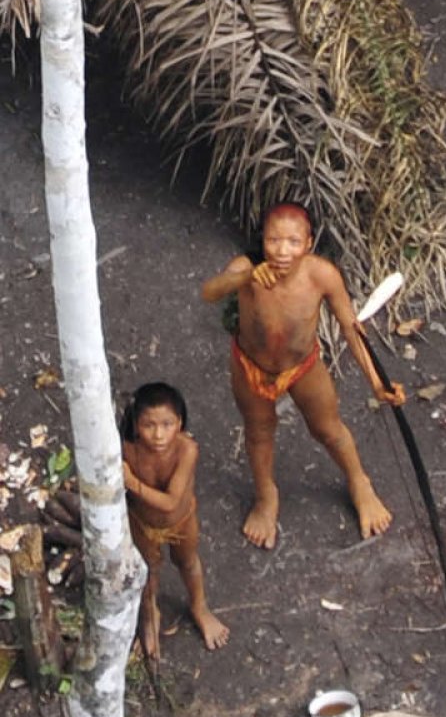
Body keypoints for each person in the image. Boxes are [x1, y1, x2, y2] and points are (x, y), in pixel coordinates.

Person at [201, 202, 405, 550]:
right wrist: (245, 277)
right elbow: (210, 291)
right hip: (251, 368)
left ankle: (359, 482)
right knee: (259, 432)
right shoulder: (246, 269)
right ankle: (266, 497)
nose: (282, 251)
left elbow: (351, 329)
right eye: (273, 240)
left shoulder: (321, 275)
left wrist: (376, 382)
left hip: (303, 366)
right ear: (262, 241)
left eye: (293, 242)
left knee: (329, 428)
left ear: (308, 243)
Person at [121, 382, 229, 658]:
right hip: (142, 524)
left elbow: (170, 501)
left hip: (182, 520)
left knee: (188, 562)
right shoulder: (127, 450)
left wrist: (132, 483)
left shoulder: (186, 450)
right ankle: (149, 615)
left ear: (179, 423)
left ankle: (199, 607)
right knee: (148, 570)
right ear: (135, 424)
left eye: (167, 424)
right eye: (149, 425)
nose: (158, 435)